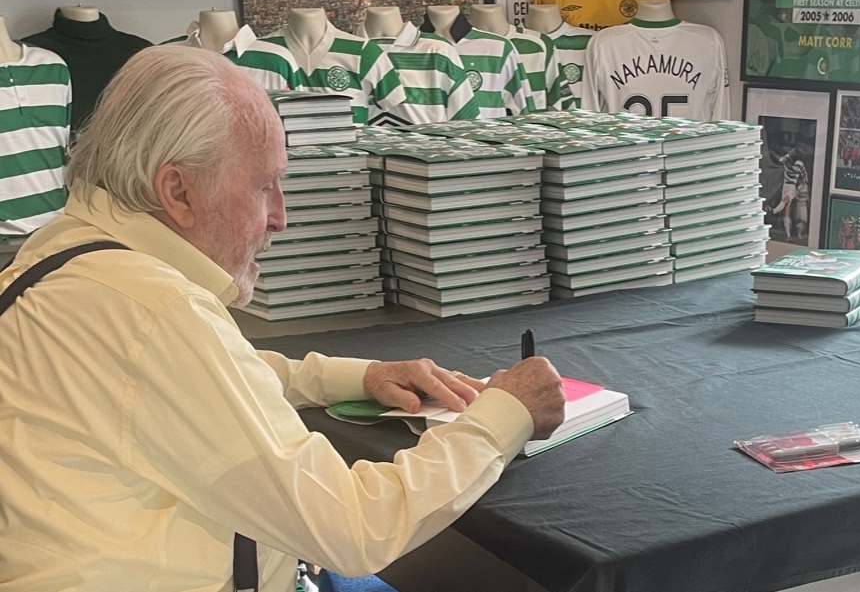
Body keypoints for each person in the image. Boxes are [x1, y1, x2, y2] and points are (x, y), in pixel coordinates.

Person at [0, 45, 566, 591]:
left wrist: (354, 376)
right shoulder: (156, 310)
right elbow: (353, 528)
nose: (281, 218)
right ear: (177, 190)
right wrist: (504, 415)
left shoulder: (55, 252)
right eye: (263, 185)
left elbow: (191, 377)